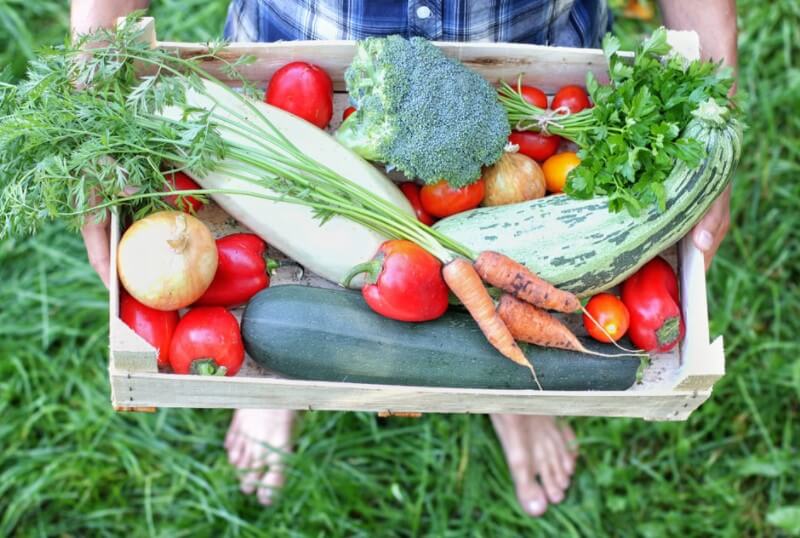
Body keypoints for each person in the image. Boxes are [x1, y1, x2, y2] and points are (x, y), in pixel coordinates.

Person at [72, 0, 737, 516]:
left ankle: (510, 386)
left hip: (536, 48)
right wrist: (97, 71)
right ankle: (276, 379)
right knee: (283, 315)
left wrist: (717, 113)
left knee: (484, 312)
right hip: (287, 44)